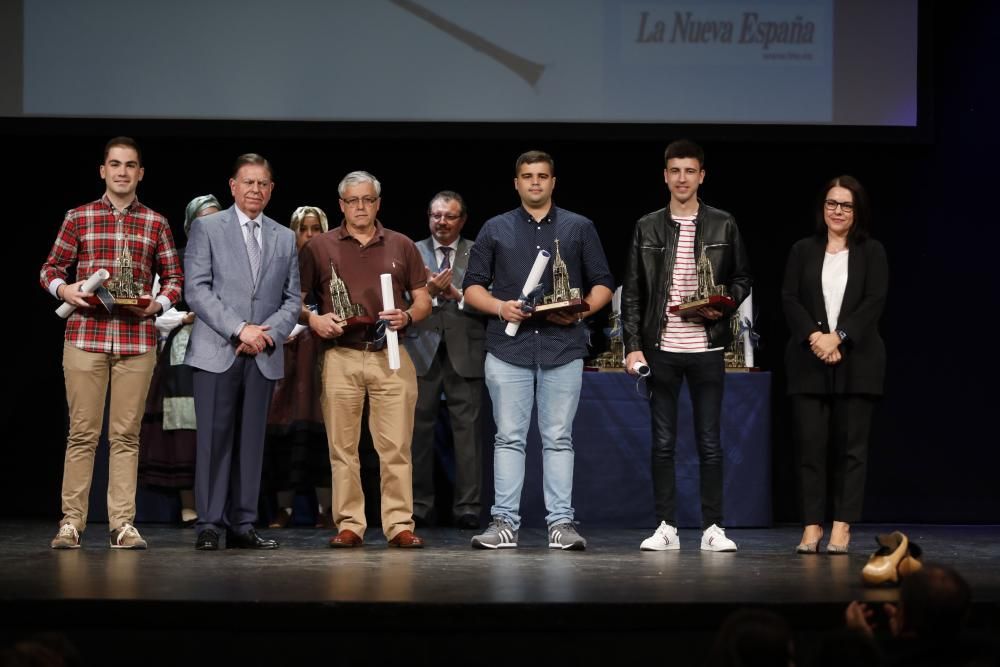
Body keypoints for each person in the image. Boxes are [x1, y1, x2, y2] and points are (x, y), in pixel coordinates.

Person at [463, 150, 614, 550]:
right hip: (507, 347)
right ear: (516, 182)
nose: (535, 182)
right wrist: (499, 306)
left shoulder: (579, 227)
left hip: (563, 347)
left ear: (552, 182)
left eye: (542, 176)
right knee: (508, 438)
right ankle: (504, 524)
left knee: (558, 438)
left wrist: (580, 312)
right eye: (527, 176)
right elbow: (472, 286)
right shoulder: (495, 228)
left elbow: (602, 284)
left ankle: (561, 524)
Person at [40, 136, 183, 549]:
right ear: (103, 170)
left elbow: (175, 278)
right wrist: (64, 291)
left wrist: (157, 305)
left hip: (136, 342)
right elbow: (50, 268)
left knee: (126, 436)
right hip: (85, 337)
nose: (122, 172)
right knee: (83, 434)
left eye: (130, 165)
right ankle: (72, 522)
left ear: (140, 173)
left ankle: (122, 524)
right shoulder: (79, 217)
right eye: (115, 164)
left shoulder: (156, 222)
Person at [622, 139, 751, 552]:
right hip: (661, 348)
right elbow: (634, 293)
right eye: (675, 171)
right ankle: (666, 527)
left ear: (701, 176)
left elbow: (742, 279)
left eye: (689, 171)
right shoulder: (647, 226)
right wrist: (632, 346)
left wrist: (723, 306)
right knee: (663, 442)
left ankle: (714, 527)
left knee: (709, 441)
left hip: (707, 349)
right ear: (665, 176)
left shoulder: (723, 223)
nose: (682, 178)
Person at [298, 170, 432, 548]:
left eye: (367, 200)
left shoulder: (402, 245)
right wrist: (314, 318)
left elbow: (423, 299)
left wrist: (407, 315)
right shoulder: (319, 247)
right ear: (341, 205)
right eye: (353, 200)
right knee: (342, 447)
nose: (360, 207)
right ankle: (350, 524)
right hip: (341, 356)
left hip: (390, 353)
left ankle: (399, 524)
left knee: (396, 446)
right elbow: (297, 299)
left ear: (378, 203)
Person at [184, 154, 300, 551]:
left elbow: (292, 298)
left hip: (263, 353)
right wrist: (240, 329)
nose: (255, 190)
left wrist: (269, 335)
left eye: (262, 183)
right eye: (247, 182)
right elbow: (196, 289)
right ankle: (210, 524)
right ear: (232, 186)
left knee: (252, 442)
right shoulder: (208, 228)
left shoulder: (284, 236)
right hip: (218, 349)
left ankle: (243, 523)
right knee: (214, 441)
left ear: (271, 189)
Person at [782, 175, 887, 554]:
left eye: (846, 205)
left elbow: (874, 301)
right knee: (810, 448)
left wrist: (839, 337)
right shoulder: (802, 250)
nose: (838, 211)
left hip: (857, 362)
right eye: (832, 203)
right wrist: (816, 337)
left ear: (857, 211)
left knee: (850, 450)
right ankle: (812, 526)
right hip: (809, 361)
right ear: (822, 208)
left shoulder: (872, 251)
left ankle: (842, 526)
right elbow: (790, 299)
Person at [404, 190, 487, 530]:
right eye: (436, 215)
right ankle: (420, 506)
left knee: (467, 434)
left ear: (462, 220)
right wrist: (428, 294)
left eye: (449, 216)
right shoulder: (411, 251)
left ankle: (468, 507)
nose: (442, 222)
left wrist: (457, 295)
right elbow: (398, 296)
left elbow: (491, 298)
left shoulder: (479, 252)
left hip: (465, 350)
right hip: (420, 350)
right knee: (417, 434)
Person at [139, 194, 220, 527]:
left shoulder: (236, 259)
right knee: (186, 426)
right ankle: (190, 504)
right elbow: (153, 312)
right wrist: (183, 318)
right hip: (183, 352)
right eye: (202, 220)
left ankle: (220, 503)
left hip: (225, 347)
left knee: (220, 424)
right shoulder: (176, 260)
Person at [263, 205, 334, 529]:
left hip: (322, 354)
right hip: (288, 356)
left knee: (324, 432)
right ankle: (283, 510)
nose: (309, 235)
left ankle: (327, 510)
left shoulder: (331, 260)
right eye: (303, 229)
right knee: (284, 434)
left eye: (315, 228)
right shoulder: (281, 262)